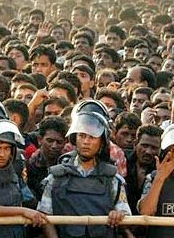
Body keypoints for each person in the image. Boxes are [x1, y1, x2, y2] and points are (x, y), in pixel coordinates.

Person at [38, 101, 131, 238]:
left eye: (92, 137)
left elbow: (126, 217)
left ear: (101, 142)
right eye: (82, 135)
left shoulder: (113, 179)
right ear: (75, 138)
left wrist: (118, 216)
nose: (86, 141)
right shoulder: (55, 176)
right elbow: (45, 216)